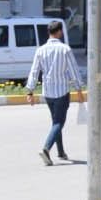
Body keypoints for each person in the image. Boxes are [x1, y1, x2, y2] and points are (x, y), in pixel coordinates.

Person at [25, 20, 83, 166]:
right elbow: (73, 71)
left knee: (55, 122)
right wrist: (79, 90)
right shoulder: (65, 49)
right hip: (62, 91)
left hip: (48, 92)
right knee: (59, 122)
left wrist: (30, 91)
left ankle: (61, 152)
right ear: (59, 32)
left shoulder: (40, 50)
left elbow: (34, 71)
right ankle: (46, 149)